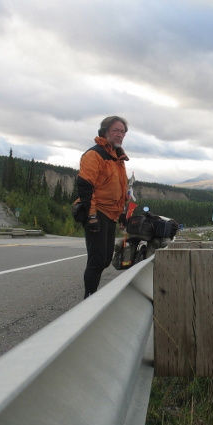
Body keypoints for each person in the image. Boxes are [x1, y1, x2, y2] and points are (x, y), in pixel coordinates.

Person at [75, 115, 130, 299]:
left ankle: (91, 295)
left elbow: (122, 189)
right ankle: (89, 297)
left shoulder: (118, 159)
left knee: (106, 258)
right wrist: (91, 216)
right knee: (97, 259)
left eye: (122, 131)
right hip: (97, 211)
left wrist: (123, 213)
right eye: (116, 130)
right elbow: (85, 187)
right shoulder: (94, 154)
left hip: (111, 214)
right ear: (105, 131)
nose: (119, 134)